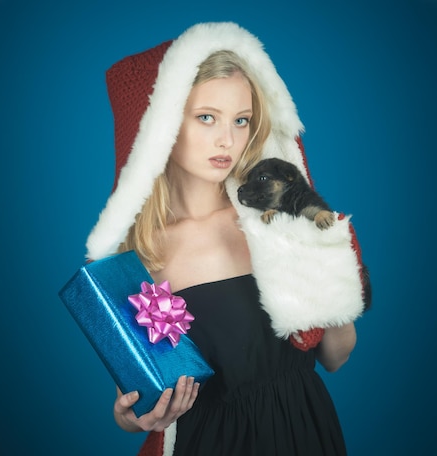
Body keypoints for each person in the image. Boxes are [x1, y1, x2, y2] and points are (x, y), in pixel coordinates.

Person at [85, 22, 370, 456]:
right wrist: (129, 416)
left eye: (241, 121)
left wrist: (331, 276)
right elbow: (143, 396)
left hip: (306, 432)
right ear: (160, 124)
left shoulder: (278, 222)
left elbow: (335, 356)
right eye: (206, 118)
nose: (227, 139)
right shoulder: (138, 259)